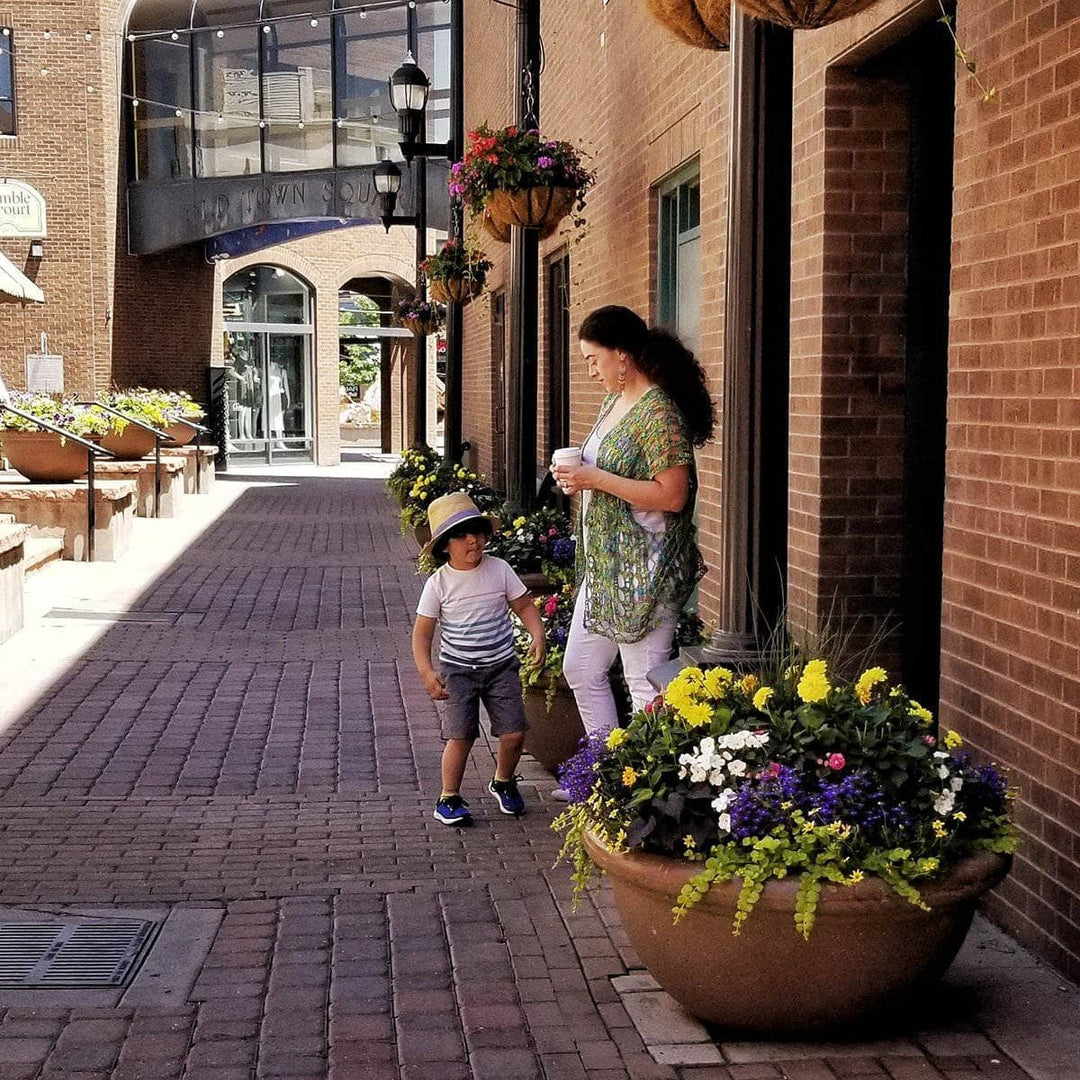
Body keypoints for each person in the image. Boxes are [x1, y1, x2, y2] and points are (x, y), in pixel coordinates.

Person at [551, 305, 715, 741]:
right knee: (581, 669)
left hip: (647, 569)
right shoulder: (613, 403)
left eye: (593, 358)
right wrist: (577, 479)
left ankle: (645, 793)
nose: (590, 370)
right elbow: (606, 474)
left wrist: (596, 478)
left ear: (621, 355)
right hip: (607, 568)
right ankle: (606, 771)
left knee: (644, 684)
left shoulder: (659, 413)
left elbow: (673, 495)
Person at [413, 492, 546, 827]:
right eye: (461, 534)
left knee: (514, 733)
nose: (472, 539)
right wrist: (428, 672)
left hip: (501, 666)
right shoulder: (439, 584)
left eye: (477, 531)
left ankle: (503, 780)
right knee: (462, 735)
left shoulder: (499, 569)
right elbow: (422, 634)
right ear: (445, 545)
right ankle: (449, 797)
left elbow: (525, 606)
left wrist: (538, 635)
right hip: (459, 672)